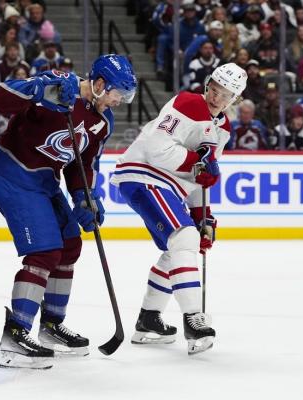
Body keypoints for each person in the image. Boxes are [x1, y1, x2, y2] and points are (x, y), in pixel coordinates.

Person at [0, 54, 137, 369]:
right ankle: (15, 334)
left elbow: (82, 163)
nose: (118, 101)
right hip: (11, 174)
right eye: (116, 93)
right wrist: (38, 88)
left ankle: (51, 326)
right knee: (44, 252)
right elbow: (1, 98)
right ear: (98, 84)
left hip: (44, 180)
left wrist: (85, 196)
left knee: (69, 246)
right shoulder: (59, 86)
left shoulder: (102, 121)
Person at [110, 63, 247, 355]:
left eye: (225, 94)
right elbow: (157, 149)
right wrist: (198, 165)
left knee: (179, 247)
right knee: (184, 238)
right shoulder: (187, 103)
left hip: (169, 185)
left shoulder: (223, 129)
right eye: (214, 88)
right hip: (144, 173)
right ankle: (193, 319)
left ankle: (149, 319)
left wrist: (202, 217)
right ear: (207, 83)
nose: (216, 97)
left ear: (234, 99)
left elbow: (202, 177)